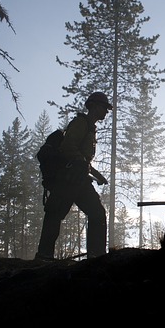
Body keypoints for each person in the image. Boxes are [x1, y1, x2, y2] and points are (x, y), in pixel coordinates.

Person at [35, 92, 112, 260]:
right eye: (104, 108)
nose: (106, 112)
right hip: (68, 178)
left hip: (79, 179)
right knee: (55, 213)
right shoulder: (80, 123)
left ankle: (96, 257)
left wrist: (97, 175)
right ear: (93, 106)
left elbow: (82, 157)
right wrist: (81, 163)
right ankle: (43, 256)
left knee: (97, 213)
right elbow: (68, 146)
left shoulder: (90, 128)